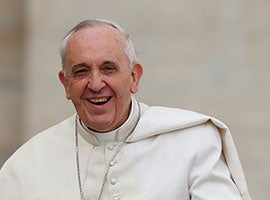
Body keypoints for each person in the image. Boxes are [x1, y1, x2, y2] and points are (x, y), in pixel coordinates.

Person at [0, 19, 251, 200]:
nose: (96, 84)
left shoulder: (193, 141)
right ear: (66, 84)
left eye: (108, 68)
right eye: (81, 71)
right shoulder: (25, 165)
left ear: (134, 77)